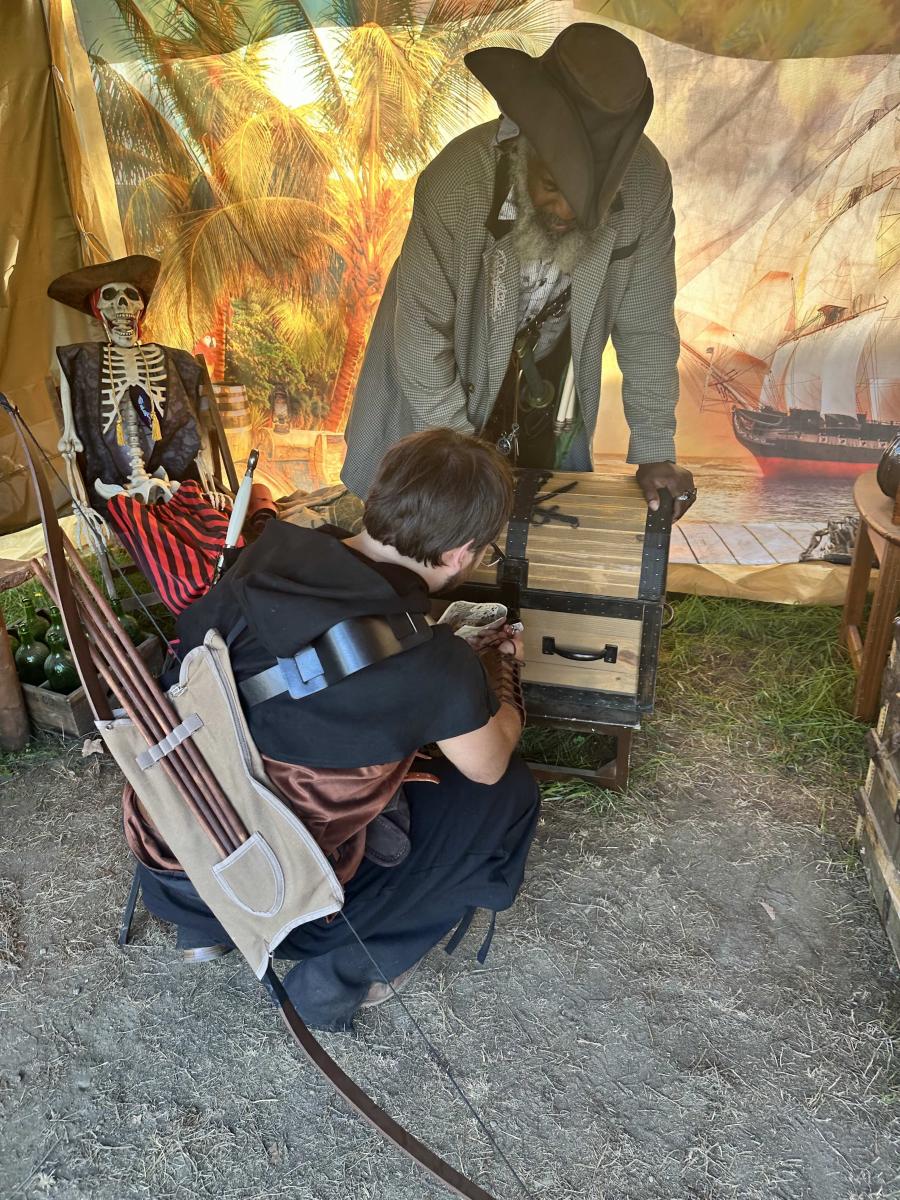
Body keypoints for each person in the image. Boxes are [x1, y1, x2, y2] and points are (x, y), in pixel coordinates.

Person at [128, 430, 540, 1031]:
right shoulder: (435, 663)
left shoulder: (268, 552)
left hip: (170, 840)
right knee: (507, 794)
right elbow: (488, 763)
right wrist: (506, 675)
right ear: (460, 554)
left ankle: (201, 928)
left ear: (378, 496)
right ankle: (337, 979)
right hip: (276, 893)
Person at [342, 23, 697, 520]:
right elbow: (421, 334)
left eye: (588, 198)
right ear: (521, 144)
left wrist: (656, 448)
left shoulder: (645, 182)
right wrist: (460, 456)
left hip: (544, 394)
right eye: (552, 185)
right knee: (424, 523)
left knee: (535, 526)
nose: (567, 213)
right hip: (434, 388)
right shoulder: (456, 182)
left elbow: (647, 324)